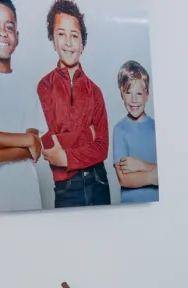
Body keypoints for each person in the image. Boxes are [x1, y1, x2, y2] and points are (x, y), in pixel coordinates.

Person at [37, 0, 111, 207]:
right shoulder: (44, 86)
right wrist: (89, 134)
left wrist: (66, 157)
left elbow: (102, 147)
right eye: (61, 34)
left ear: (82, 45)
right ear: (53, 40)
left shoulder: (95, 91)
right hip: (66, 187)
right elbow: (50, 144)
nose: (68, 42)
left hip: (99, 182)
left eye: (75, 36)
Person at [0, 0, 44, 211]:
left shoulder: (27, 87)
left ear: (17, 37)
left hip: (28, 194)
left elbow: (34, 149)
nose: (2, 32)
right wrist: (26, 140)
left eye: (8, 27)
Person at [112, 61, 158, 203]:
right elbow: (124, 179)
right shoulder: (120, 130)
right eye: (128, 93)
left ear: (147, 95)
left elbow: (171, 171)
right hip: (131, 208)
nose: (133, 100)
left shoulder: (157, 128)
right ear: (121, 94)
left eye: (138, 93)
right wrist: (154, 176)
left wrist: (141, 166)